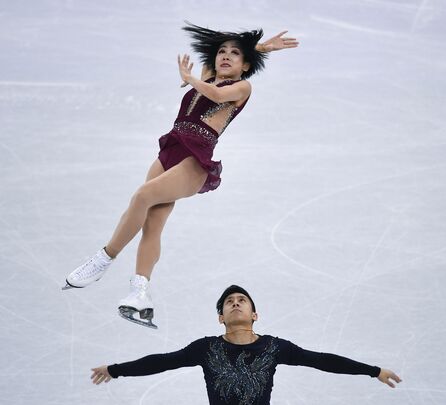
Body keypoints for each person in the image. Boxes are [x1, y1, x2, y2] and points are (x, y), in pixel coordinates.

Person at [61, 23, 299, 328]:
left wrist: (190, 79)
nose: (225, 56)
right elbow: (212, 74)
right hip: (171, 148)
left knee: (142, 196)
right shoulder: (207, 74)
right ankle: (139, 294)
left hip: (194, 160)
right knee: (152, 222)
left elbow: (213, 91)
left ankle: (103, 259)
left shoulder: (242, 88)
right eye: (221, 52)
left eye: (235, 54)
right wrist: (260, 47)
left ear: (246, 65)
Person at [90, 285, 402, 404]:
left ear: (255, 314)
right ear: (220, 317)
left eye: (242, 301)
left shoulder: (274, 347)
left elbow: (321, 359)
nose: (235, 303)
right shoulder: (206, 348)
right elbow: (162, 361)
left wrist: (373, 371)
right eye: (229, 302)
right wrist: (115, 370)